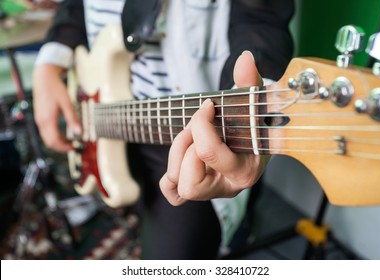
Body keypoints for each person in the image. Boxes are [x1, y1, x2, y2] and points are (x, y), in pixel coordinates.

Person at [32, 0, 294, 259]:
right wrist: (48, 64)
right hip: (104, 119)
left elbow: (260, 21)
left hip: (187, 143)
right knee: (139, 217)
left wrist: (250, 112)